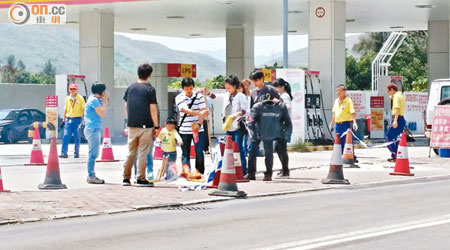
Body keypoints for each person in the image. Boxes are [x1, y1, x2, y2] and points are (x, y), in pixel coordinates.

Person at [122, 63, 159, 187]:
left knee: (131, 151)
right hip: (146, 126)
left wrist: (129, 120)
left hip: (132, 124)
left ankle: (126, 178)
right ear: (149, 75)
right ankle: (141, 178)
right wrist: (157, 126)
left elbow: (126, 106)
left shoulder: (130, 88)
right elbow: (153, 109)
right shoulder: (150, 89)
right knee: (143, 152)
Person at [246, 70, 281, 180]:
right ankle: (251, 173)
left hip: (268, 125)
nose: (255, 83)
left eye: (256, 80)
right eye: (253, 81)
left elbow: (280, 104)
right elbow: (251, 108)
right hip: (256, 125)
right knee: (252, 149)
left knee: (268, 151)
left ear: (262, 79)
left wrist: (277, 102)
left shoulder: (271, 90)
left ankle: (268, 173)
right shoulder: (253, 93)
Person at [248, 98, 292, 181]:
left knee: (267, 153)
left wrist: (287, 135)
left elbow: (288, 122)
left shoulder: (281, 106)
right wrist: (252, 134)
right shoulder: (258, 106)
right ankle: (252, 173)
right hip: (259, 132)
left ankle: (267, 174)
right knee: (254, 152)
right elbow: (250, 121)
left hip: (269, 133)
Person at [175, 78, 209, 177]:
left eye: (190, 88)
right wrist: (199, 112)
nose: (189, 91)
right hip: (184, 130)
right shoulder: (179, 97)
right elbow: (186, 110)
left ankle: (199, 172)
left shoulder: (199, 96)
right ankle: (186, 172)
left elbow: (204, 111)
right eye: (186, 89)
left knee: (199, 151)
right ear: (183, 88)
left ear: (193, 87)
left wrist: (198, 124)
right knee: (185, 152)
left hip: (198, 130)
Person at [222, 75, 249, 175]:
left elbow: (245, 110)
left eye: (229, 87)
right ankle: (232, 169)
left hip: (238, 125)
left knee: (238, 147)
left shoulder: (241, 96)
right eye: (226, 88)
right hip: (228, 125)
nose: (228, 90)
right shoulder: (226, 95)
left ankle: (242, 170)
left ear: (234, 86)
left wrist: (237, 114)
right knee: (229, 148)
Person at [84, 82, 108, 184]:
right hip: (93, 128)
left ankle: (91, 174)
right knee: (93, 154)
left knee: (93, 153)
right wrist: (105, 102)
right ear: (102, 92)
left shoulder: (93, 99)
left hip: (93, 128)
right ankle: (91, 175)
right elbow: (102, 113)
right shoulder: (94, 100)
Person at [329, 84, 358, 162]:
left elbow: (353, 113)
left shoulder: (348, 101)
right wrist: (332, 124)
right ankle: (339, 156)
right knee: (338, 141)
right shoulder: (336, 101)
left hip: (346, 123)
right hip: (338, 124)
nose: (338, 92)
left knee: (347, 140)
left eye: (340, 90)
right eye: (337, 90)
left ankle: (351, 156)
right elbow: (334, 113)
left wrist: (354, 122)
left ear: (344, 91)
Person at [272, 78, 293, 177]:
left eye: (277, 87)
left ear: (282, 87)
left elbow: (287, 107)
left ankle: (285, 171)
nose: (275, 89)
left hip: (284, 125)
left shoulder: (285, 96)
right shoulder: (281, 95)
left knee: (280, 147)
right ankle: (284, 169)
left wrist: (278, 102)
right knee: (279, 147)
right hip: (280, 124)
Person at [60, 83, 85, 158]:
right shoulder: (67, 98)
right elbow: (65, 109)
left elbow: (83, 109)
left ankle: (76, 152)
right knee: (66, 135)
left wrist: (83, 119)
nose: (72, 90)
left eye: (74, 89)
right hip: (69, 119)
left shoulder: (80, 98)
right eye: (71, 89)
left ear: (76, 90)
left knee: (77, 136)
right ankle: (64, 153)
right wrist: (64, 119)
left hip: (77, 119)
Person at [386, 82, 406, 162]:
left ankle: (395, 153)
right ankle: (396, 155)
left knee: (388, 136)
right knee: (397, 138)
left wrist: (395, 120)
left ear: (391, 90)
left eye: (388, 91)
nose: (388, 93)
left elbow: (397, 108)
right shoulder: (401, 95)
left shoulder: (396, 97)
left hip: (397, 118)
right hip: (401, 118)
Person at [239, 79, 252, 155]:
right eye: (245, 85)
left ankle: (251, 149)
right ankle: (244, 149)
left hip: (250, 116)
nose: (246, 86)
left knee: (250, 133)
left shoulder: (251, 93)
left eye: (248, 85)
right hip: (243, 116)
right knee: (244, 133)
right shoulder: (241, 95)